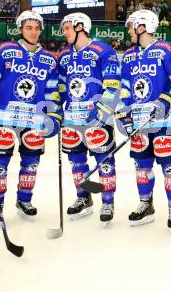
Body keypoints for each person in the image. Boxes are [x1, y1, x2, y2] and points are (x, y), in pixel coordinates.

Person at [0, 10, 61, 224]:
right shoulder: (4, 50)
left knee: (31, 164)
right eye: (29, 27)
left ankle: (24, 200)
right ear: (21, 29)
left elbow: (51, 92)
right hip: (2, 117)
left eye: (37, 28)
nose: (34, 32)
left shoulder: (49, 60)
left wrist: (54, 113)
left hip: (33, 120)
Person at [116, 9, 171, 231]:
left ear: (142, 27)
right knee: (142, 167)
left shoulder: (167, 50)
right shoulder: (129, 55)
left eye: (131, 26)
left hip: (166, 123)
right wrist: (123, 115)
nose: (128, 31)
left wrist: (165, 102)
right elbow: (125, 89)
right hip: (140, 124)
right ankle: (146, 204)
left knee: (170, 167)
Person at [57, 12, 120, 224]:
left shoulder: (103, 51)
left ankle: (107, 201)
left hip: (97, 119)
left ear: (79, 27)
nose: (63, 32)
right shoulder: (64, 55)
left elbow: (113, 86)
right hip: (72, 119)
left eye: (66, 28)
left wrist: (103, 112)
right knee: (77, 162)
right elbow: (60, 89)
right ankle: (84, 198)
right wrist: (55, 110)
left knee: (104, 162)